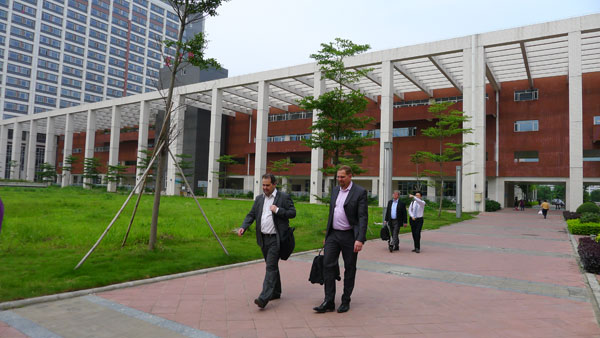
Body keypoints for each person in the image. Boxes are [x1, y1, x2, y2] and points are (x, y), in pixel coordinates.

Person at [313, 165, 368, 314]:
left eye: (342, 177)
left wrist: (360, 239)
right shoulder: (336, 190)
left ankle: (345, 300)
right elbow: (332, 213)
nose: (339, 179)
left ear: (350, 176)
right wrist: (327, 236)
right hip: (333, 235)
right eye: (338, 176)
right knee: (327, 265)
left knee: (349, 268)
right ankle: (328, 301)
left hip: (350, 236)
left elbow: (363, 217)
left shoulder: (359, 192)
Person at [238, 173, 296, 309]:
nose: (265, 188)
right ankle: (276, 291)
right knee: (272, 266)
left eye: (267, 185)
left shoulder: (283, 197)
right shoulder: (259, 199)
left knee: (270, 267)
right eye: (263, 185)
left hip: (276, 239)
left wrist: (278, 210)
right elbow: (251, 215)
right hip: (263, 239)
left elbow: (292, 213)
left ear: (274, 184)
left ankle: (264, 298)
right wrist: (243, 227)